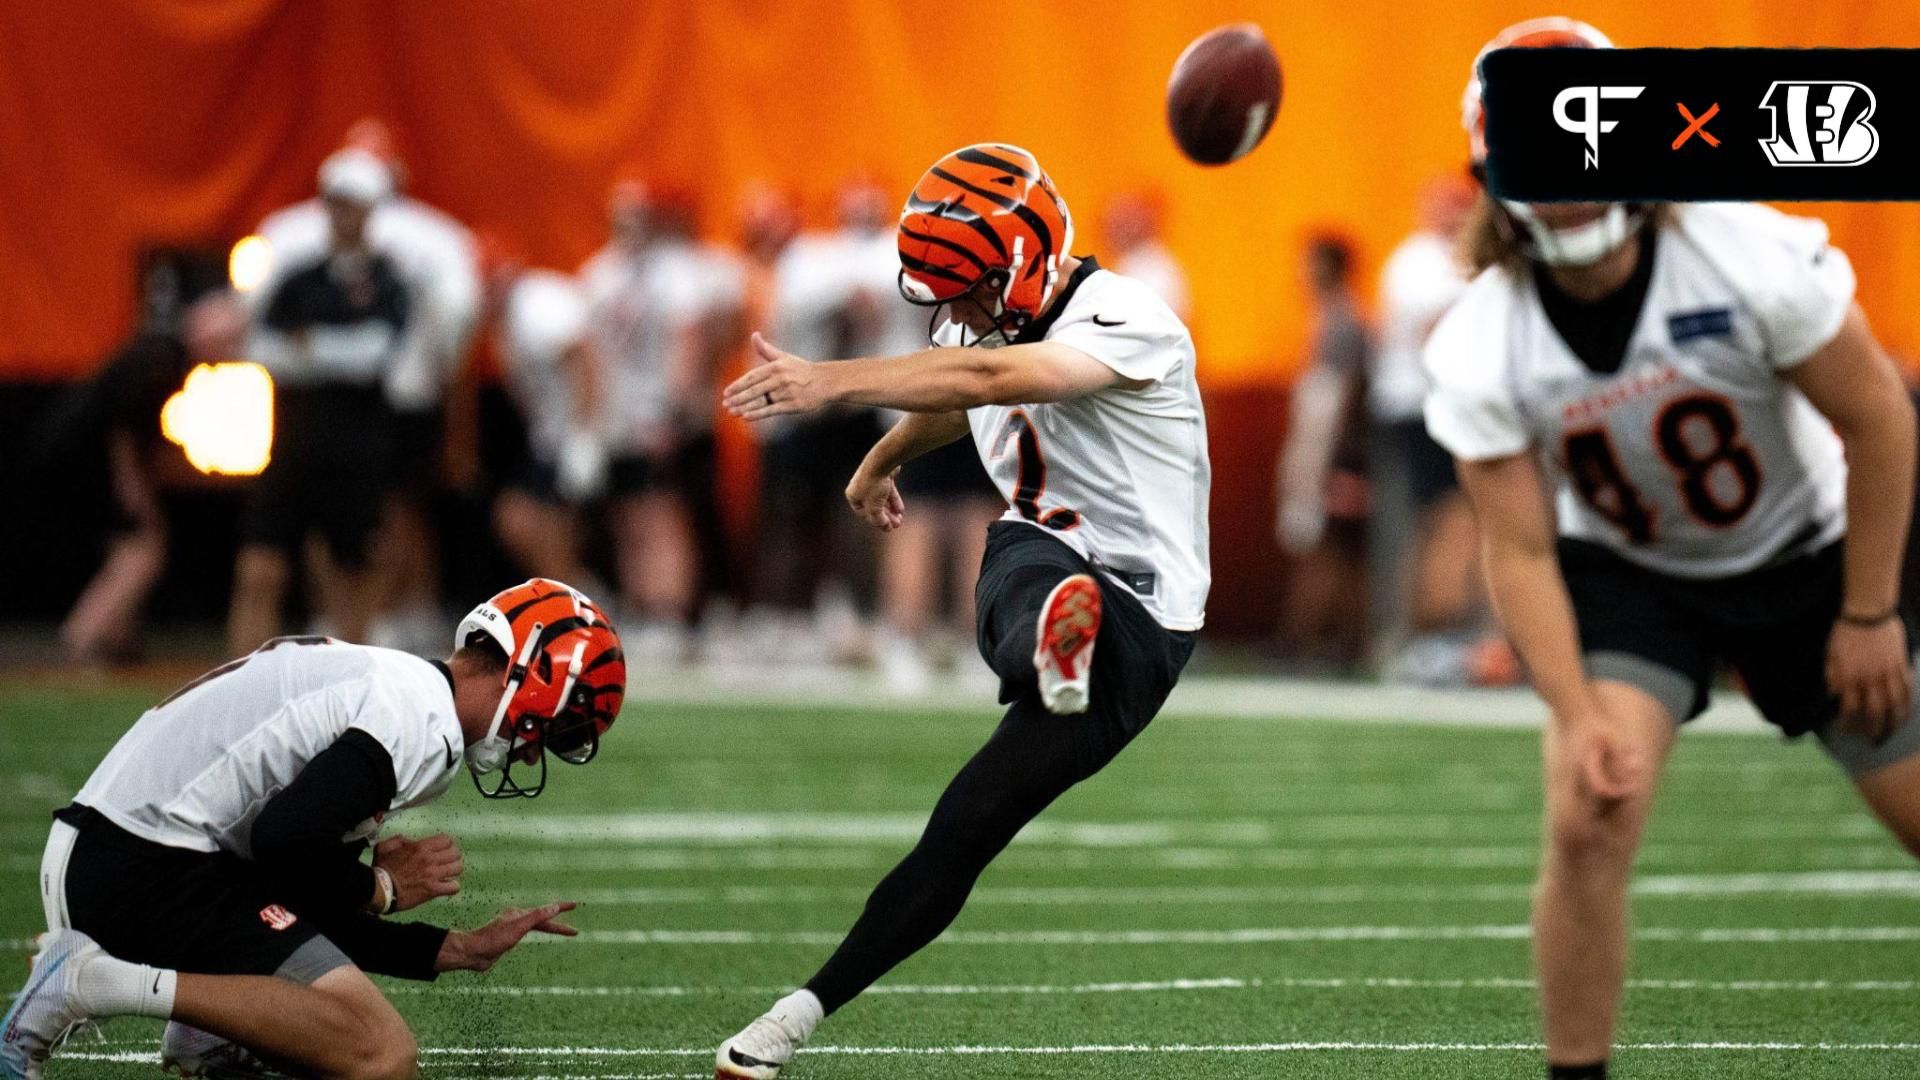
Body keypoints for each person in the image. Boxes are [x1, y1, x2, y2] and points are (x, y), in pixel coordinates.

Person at [1426, 19, 1920, 1080]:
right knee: (1587, 813)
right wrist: (1576, 709)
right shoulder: (1480, 336)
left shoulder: (1743, 254)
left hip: (1808, 556)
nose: (1567, 182)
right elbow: (1517, 549)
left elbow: (1880, 416)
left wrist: (1869, 611)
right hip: (1634, 579)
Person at [709, 143, 1210, 1078]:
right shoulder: (991, 317)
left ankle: (1064, 639)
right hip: (1047, 553)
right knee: (1018, 591)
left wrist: (829, 383)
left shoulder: (1128, 316)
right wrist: (878, 459)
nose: (951, 311)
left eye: (964, 289)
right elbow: (961, 387)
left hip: (1146, 612)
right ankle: (795, 1017)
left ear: (1021, 263)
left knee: (972, 804)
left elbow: (990, 380)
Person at [1, 578, 624, 1080]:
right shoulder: (417, 720)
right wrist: (380, 888)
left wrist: (455, 949)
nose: (534, 752)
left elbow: (297, 885)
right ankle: (92, 981)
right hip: (137, 867)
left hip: (124, 852)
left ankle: (207, 1032)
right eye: (560, 728)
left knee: (341, 1036)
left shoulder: (398, 685)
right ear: (533, 682)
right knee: (380, 1054)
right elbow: (287, 843)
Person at [253, 120, 482, 655]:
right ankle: (362, 620)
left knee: (388, 517)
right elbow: (259, 331)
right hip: (323, 408)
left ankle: (396, 615)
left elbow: (438, 329)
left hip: (389, 399)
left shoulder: (409, 253)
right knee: (343, 524)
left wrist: (316, 350)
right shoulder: (300, 249)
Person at [229, 150, 411, 656]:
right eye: (335, 203)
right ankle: (237, 681)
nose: (342, 214)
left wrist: (311, 346)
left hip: (357, 448)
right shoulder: (299, 276)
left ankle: (353, 686)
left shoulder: (388, 280)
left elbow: (374, 355)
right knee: (261, 567)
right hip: (294, 444)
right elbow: (262, 348)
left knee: (355, 571)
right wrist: (327, 349)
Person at [582, 180, 738, 661]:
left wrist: (673, 409)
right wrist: (589, 421)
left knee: (663, 516)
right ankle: (643, 608)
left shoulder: (676, 273)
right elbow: (588, 353)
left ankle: (670, 613)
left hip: (657, 413)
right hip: (617, 415)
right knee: (628, 517)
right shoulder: (599, 273)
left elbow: (690, 341)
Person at [51, 289, 247, 663]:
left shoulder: (166, 355)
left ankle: (119, 641)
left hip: (81, 461)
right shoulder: (163, 358)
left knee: (127, 545)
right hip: (84, 463)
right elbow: (122, 427)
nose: (232, 353)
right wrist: (131, 488)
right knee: (144, 548)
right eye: (231, 342)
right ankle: (82, 640)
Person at [482, 241, 610, 590]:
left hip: (577, 432)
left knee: (520, 517)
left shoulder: (535, 304)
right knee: (550, 524)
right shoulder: (510, 315)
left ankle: (573, 596)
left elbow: (582, 359)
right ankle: (575, 594)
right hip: (555, 434)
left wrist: (585, 436)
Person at [1274, 233, 1373, 668]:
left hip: (1334, 450)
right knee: (1322, 540)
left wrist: (1333, 461)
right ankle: (1321, 640)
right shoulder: (1326, 319)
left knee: (1330, 543)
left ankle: (1313, 640)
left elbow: (1343, 396)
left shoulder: (1344, 323)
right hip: (1324, 445)